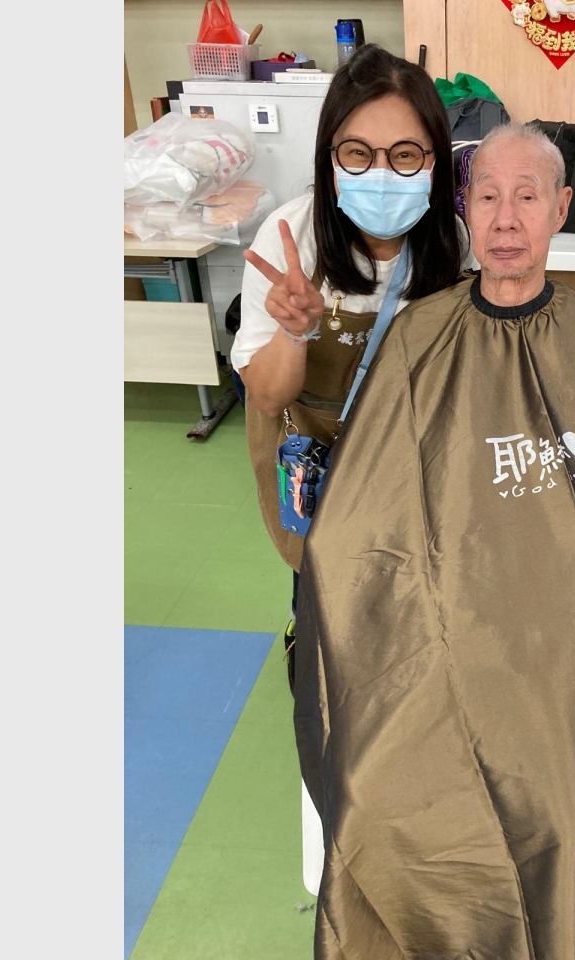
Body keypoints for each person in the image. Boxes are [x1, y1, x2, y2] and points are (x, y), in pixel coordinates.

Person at [291, 123, 575, 959]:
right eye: (489, 197)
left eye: (527, 197)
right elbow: (363, 521)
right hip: (458, 616)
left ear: (560, 209)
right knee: (382, 792)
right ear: (465, 210)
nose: (506, 219)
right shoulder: (418, 340)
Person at [232, 44, 472, 675]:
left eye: (406, 154)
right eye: (359, 153)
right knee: (319, 576)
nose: (382, 173)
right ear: (330, 156)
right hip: (313, 451)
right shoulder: (291, 241)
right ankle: (306, 626)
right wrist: (295, 333)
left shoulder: (452, 244)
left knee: (403, 575)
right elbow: (266, 396)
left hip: (407, 448)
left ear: (434, 161)